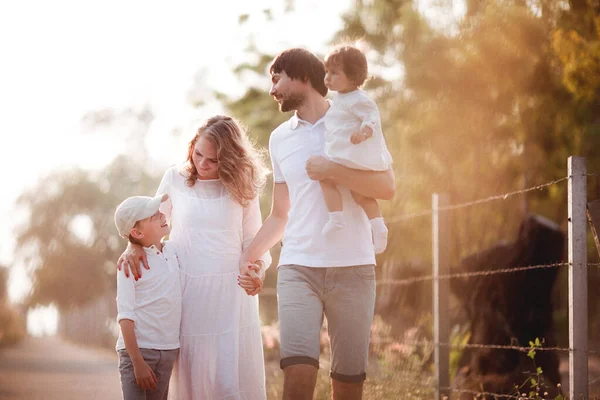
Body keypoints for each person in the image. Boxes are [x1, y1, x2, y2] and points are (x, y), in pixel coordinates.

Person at [238, 48, 395, 400]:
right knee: (297, 376)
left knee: (348, 385)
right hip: (298, 270)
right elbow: (280, 214)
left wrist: (333, 170)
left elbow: (386, 187)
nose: (272, 89)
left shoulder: (353, 119)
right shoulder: (280, 138)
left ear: (302, 77)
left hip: (354, 269)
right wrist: (247, 256)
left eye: (277, 78)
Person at [117, 115, 271, 400]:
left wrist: (257, 270)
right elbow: (149, 223)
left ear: (230, 159)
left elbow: (255, 241)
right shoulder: (175, 178)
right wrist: (133, 247)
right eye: (198, 153)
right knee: (192, 379)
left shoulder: (242, 187)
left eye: (212, 160)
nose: (202, 163)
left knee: (227, 383)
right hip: (186, 292)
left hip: (231, 295)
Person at [320, 45, 392, 254]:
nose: (328, 78)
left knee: (332, 180)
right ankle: (362, 222)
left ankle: (344, 219)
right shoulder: (339, 99)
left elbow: (372, 117)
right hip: (344, 152)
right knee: (350, 190)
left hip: (353, 153)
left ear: (352, 77)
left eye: (334, 73)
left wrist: (364, 133)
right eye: (327, 72)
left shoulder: (359, 99)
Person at [114, 193, 181, 400]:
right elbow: (125, 316)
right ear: (136, 232)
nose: (162, 215)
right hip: (139, 352)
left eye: (159, 211)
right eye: (153, 216)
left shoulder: (173, 250)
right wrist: (137, 362)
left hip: (168, 350)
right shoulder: (129, 263)